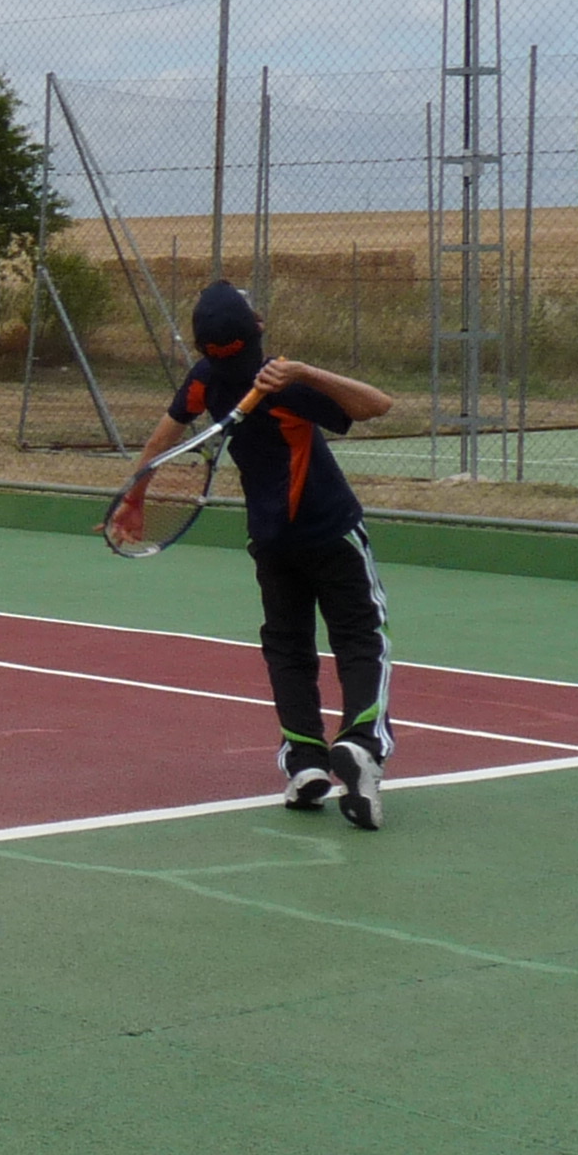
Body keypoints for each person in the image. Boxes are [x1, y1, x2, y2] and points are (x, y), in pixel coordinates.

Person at [114, 280, 397, 830]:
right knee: (363, 638)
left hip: (271, 542)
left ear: (205, 346)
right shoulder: (283, 383)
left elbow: (162, 439)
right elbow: (377, 405)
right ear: (258, 328)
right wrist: (307, 372)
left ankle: (305, 761)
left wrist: (135, 496)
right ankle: (362, 744)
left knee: (288, 648)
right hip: (332, 532)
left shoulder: (205, 379)